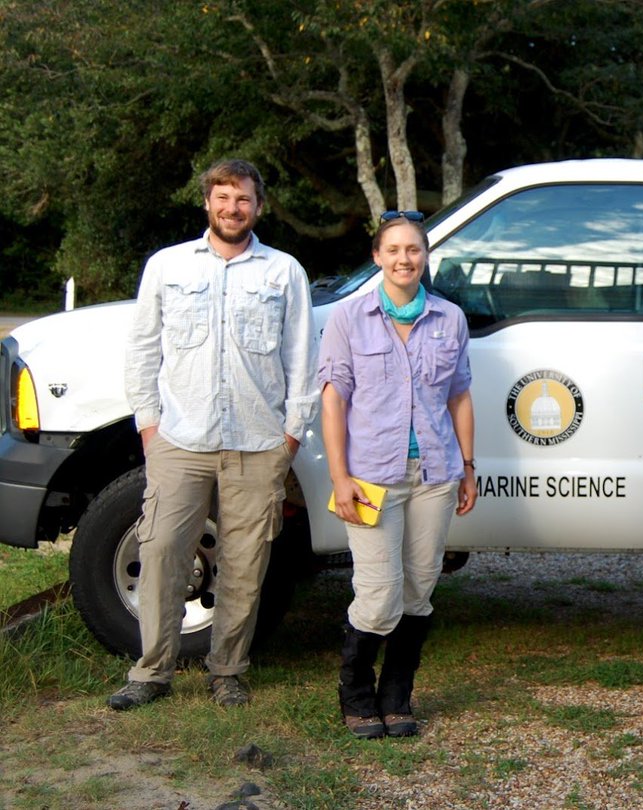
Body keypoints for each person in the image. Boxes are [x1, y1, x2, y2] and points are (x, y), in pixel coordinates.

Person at [113, 158, 319, 710]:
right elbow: (142, 350)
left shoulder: (283, 273)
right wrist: (150, 426)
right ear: (207, 201)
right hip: (179, 440)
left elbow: (303, 360)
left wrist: (290, 439)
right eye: (224, 197)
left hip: (258, 445)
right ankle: (151, 671)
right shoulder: (168, 266)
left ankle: (227, 669)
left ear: (258, 205)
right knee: (159, 551)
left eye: (244, 198)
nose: (234, 208)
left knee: (245, 563)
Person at [318, 210, 477, 739]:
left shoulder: (449, 319)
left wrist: (468, 466)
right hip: (369, 477)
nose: (404, 259)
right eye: (394, 250)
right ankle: (356, 692)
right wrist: (339, 478)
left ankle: (395, 695)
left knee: (419, 588)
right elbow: (334, 398)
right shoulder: (347, 318)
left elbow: (459, 395)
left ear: (425, 256)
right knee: (379, 592)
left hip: (435, 473)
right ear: (377, 257)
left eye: (413, 250)